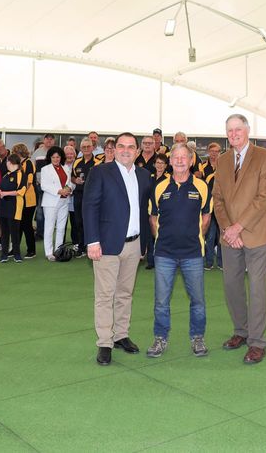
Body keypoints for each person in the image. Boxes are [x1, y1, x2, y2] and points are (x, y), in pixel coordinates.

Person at [213, 114, 266, 365]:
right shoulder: (222, 160)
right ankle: (241, 331)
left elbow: (264, 197)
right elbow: (218, 199)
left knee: (257, 288)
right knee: (231, 284)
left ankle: (257, 342)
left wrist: (239, 226)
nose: (233, 134)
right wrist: (229, 228)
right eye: (229, 130)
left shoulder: (265, 157)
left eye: (238, 129)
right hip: (230, 235)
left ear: (247, 131)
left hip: (257, 232)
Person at [84, 132, 153, 366]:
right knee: (105, 296)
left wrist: (143, 243)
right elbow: (90, 207)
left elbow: (145, 211)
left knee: (125, 293)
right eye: (121, 146)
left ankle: (122, 335)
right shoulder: (100, 172)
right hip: (106, 245)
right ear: (113, 150)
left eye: (130, 147)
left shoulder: (144, 176)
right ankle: (105, 342)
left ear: (137, 151)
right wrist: (92, 241)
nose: (125, 150)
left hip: (134, 245)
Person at [146, 143, 212, 358]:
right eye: (176, 157)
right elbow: (153, 217)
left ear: (191, 160)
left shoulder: (201, 186)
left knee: (198, 301)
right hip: (164, 253)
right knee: (161, 301)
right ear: (170, 160)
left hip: (193, 253)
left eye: (185, 157)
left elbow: (206, 217)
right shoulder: (159, 187)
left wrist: (195, 236)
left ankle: (197, 338)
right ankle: (160, 338)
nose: (181, 160)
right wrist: (163, 238)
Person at [40, 146, 71, 261]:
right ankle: (49, 252)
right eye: (53, 157)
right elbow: (44, 186)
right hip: (51, 202)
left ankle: (59, 250)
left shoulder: (66, 167)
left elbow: (69, 183)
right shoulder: (45, 169)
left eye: (58, 157)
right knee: (49, 227)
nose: (56, 159)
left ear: (61, 157)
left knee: (61, 227)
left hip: (64, 201)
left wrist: (69, 189)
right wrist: (59, 191)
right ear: (50, 158)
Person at [0, 154, 26, 263]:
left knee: (14, 232)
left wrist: (5, 193)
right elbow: (0, 188)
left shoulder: (21, 174)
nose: (6, 164)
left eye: (7, 162)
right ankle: (4, 254)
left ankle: (17, 254)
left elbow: (21, 191)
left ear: (11, 162)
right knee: (4, 232)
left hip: (15, 207)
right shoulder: (6, 175)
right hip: (3, 207)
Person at [10, 142, 38, 259]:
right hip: (19, 199)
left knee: (26, 225)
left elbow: (29, 181)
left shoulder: (28, 163)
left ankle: (31, 250)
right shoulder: (18, 164)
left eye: (14, 153)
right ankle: (15, 249)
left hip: (29, 200)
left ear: (19, 153)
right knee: (18, 225)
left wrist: (19, 192)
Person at [142, 153, 169, 270]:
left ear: (166, 165)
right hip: (149, 210)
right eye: (158, 163)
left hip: (163, 211)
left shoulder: (169, 179)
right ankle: (151, 261)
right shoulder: (149, 177)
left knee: (161, 236)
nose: (159, 165)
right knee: (149, 236)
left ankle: (163, 260)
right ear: (154, 164)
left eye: (162, 163)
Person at [71, 138, 96, 257]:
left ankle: (91, 245)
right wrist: (75, 180)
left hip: (92, 196)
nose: (86, 149)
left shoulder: (98, 162)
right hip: (79, 195)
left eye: (88, 146)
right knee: (79, 221)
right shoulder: (76, 162)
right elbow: (72, 177)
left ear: (92, 147)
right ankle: (81, 246)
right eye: (84, 147)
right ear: (80, 149)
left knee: (91, 221)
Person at [200, 142, 222, 270]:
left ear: (220, 152)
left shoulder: (225, 166)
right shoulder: (203, 167)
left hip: (221, 206)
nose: (214, 154)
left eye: (216, 151)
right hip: (208, 206)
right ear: (209, 152)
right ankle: (208, 262)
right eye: (212, 151)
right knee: (209, 235)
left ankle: (221, 263)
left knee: (222, 237)